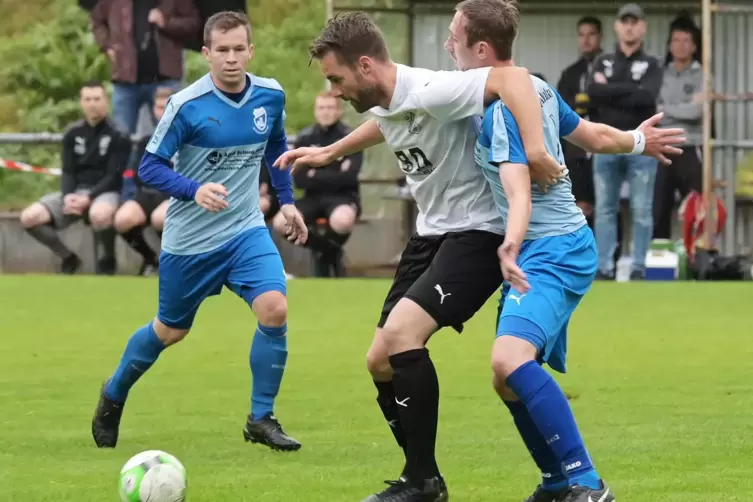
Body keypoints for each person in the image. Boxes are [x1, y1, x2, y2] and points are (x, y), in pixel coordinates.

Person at [275, 11, 567, 501]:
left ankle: (422, 481)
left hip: (476, 234)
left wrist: (535, 149)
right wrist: (329, 153)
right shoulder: (389, 97)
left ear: (365, 66)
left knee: (403, 336)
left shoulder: (433, 88)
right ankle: (422, 477)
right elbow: (388, 122)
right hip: (430, 236)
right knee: (379, 361)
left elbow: (514, 78)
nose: (335, 90)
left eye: (336, 78)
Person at [445, 1, 684, 501]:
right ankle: (557, 482)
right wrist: (639, 142)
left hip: (552, 249)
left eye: (454, 38)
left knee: (509, 360)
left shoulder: (503, 110)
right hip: (553, 246)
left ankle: (587, 483)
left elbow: (518, 193)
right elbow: (592, 134)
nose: (448, 46)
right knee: (506, 378)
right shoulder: (535, 90)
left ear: (480, 49)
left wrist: (509, 247)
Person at [91, 11, 309, 452]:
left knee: (275, 308)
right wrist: (194, 190)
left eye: (239, 49)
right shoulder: (186, 105)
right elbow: (150, 167)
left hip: (246, 230)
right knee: (170, 331)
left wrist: (286, 203)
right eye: (222, 51)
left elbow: (276, 149)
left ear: (251, 50)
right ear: (206, 54)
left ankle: (260, 418)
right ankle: (113, 393)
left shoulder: (270, 96)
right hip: (191, 243)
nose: (231, 59)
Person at [19, 80, 130, 275]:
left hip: (106, 192)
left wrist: (88, 197)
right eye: (88, 99)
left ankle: (107, 263)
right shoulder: (72, 133)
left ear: (106, 101)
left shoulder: (119, 134)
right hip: (76, 192)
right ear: (81, 102)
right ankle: (68, 258)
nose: (92, 103)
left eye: (97, 99)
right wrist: (69, 195)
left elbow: (114, 176)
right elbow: (68, 171)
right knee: (29, 217)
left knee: (99, 214)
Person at [587, 3, 664, 280]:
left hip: (642, 142)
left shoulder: (652, 63)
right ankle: (604, 268)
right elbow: (593, 94)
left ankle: (639, 268)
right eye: (625, 22)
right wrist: (630, 89)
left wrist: (610, 90)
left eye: (635, 22)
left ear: (643, 27)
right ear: (617, 26)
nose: (630, 27)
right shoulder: (603, 60)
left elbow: (647, 99)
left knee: (641, 208)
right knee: (605, 207)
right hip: (606, 141)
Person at [272, 90, 363, 277]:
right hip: (312, 198)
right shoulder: (305, 138)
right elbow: (299, 179)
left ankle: (326, 253)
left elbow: (349, 178)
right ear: (315, 111)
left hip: (343, 197)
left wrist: (315, 174)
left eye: (330, 108)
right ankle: (328, 250)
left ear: (339, 111)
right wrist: (335, 172)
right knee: (281, 222)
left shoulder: (350, 137)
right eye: (321, 108)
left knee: (342, 221)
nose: (326, 112)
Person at [114, 86, 174, 275]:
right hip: (147, 193)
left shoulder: (191, 139)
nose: (162, 112)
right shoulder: (145, 142)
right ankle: (151, 259)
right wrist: (129, 197)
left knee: (160, 218)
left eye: (168, 107)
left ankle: (171, 263)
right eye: (158, 107)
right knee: (123, 219)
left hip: (176, 194)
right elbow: (132, 174)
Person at [654, 18, 703, 239]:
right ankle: (659, 264)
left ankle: (698, 262)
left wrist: (667, 108)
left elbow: (697, 112)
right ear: (669, 45)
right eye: (676, 40)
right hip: (662, 147)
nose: (680, 45)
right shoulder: (660, 74)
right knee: (659, 209)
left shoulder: (702, 74)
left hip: (691, 147)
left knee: (696, 208)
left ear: (694, 46)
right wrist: (682, 107)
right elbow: (656, 111)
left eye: (686, 41)